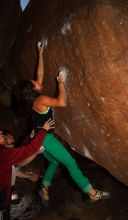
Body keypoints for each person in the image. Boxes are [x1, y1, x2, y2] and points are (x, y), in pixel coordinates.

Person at [12, 42, 111, 203]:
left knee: (54, 161)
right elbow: (62, 102)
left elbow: (40, 75)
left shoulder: (33, 101)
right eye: (33, 82)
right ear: (33, 90)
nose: (36, 81)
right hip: (46, 138)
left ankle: (44, 186)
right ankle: (91, 192)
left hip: (39, 137)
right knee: (70, 162)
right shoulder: (41, 100)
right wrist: (61, 83)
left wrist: (40, 53)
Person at [0, 119, 54, 219]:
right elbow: (26, 152)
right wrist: (43, 131)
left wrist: (30, 138)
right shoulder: (3, 155)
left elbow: (16, 163)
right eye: (2, 134)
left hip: (5, 199)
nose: (1, 133)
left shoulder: (5, 154)